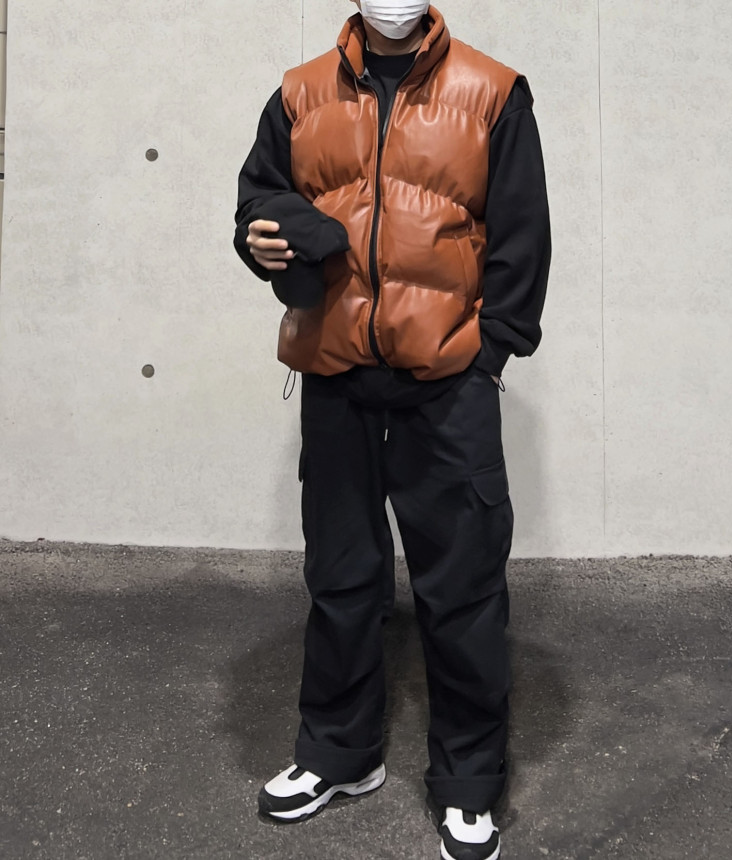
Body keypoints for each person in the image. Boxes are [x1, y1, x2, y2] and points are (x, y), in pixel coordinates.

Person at [233, 2, 550, 858]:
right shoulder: (299, 94)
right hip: (336, 375)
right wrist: (261, 240)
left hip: (446, 383)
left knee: (463, 587)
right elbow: (258, 201)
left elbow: (523, 230)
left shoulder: (492, 91)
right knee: (341, 577)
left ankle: (469, 783)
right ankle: (338, 755)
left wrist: (489, 350)